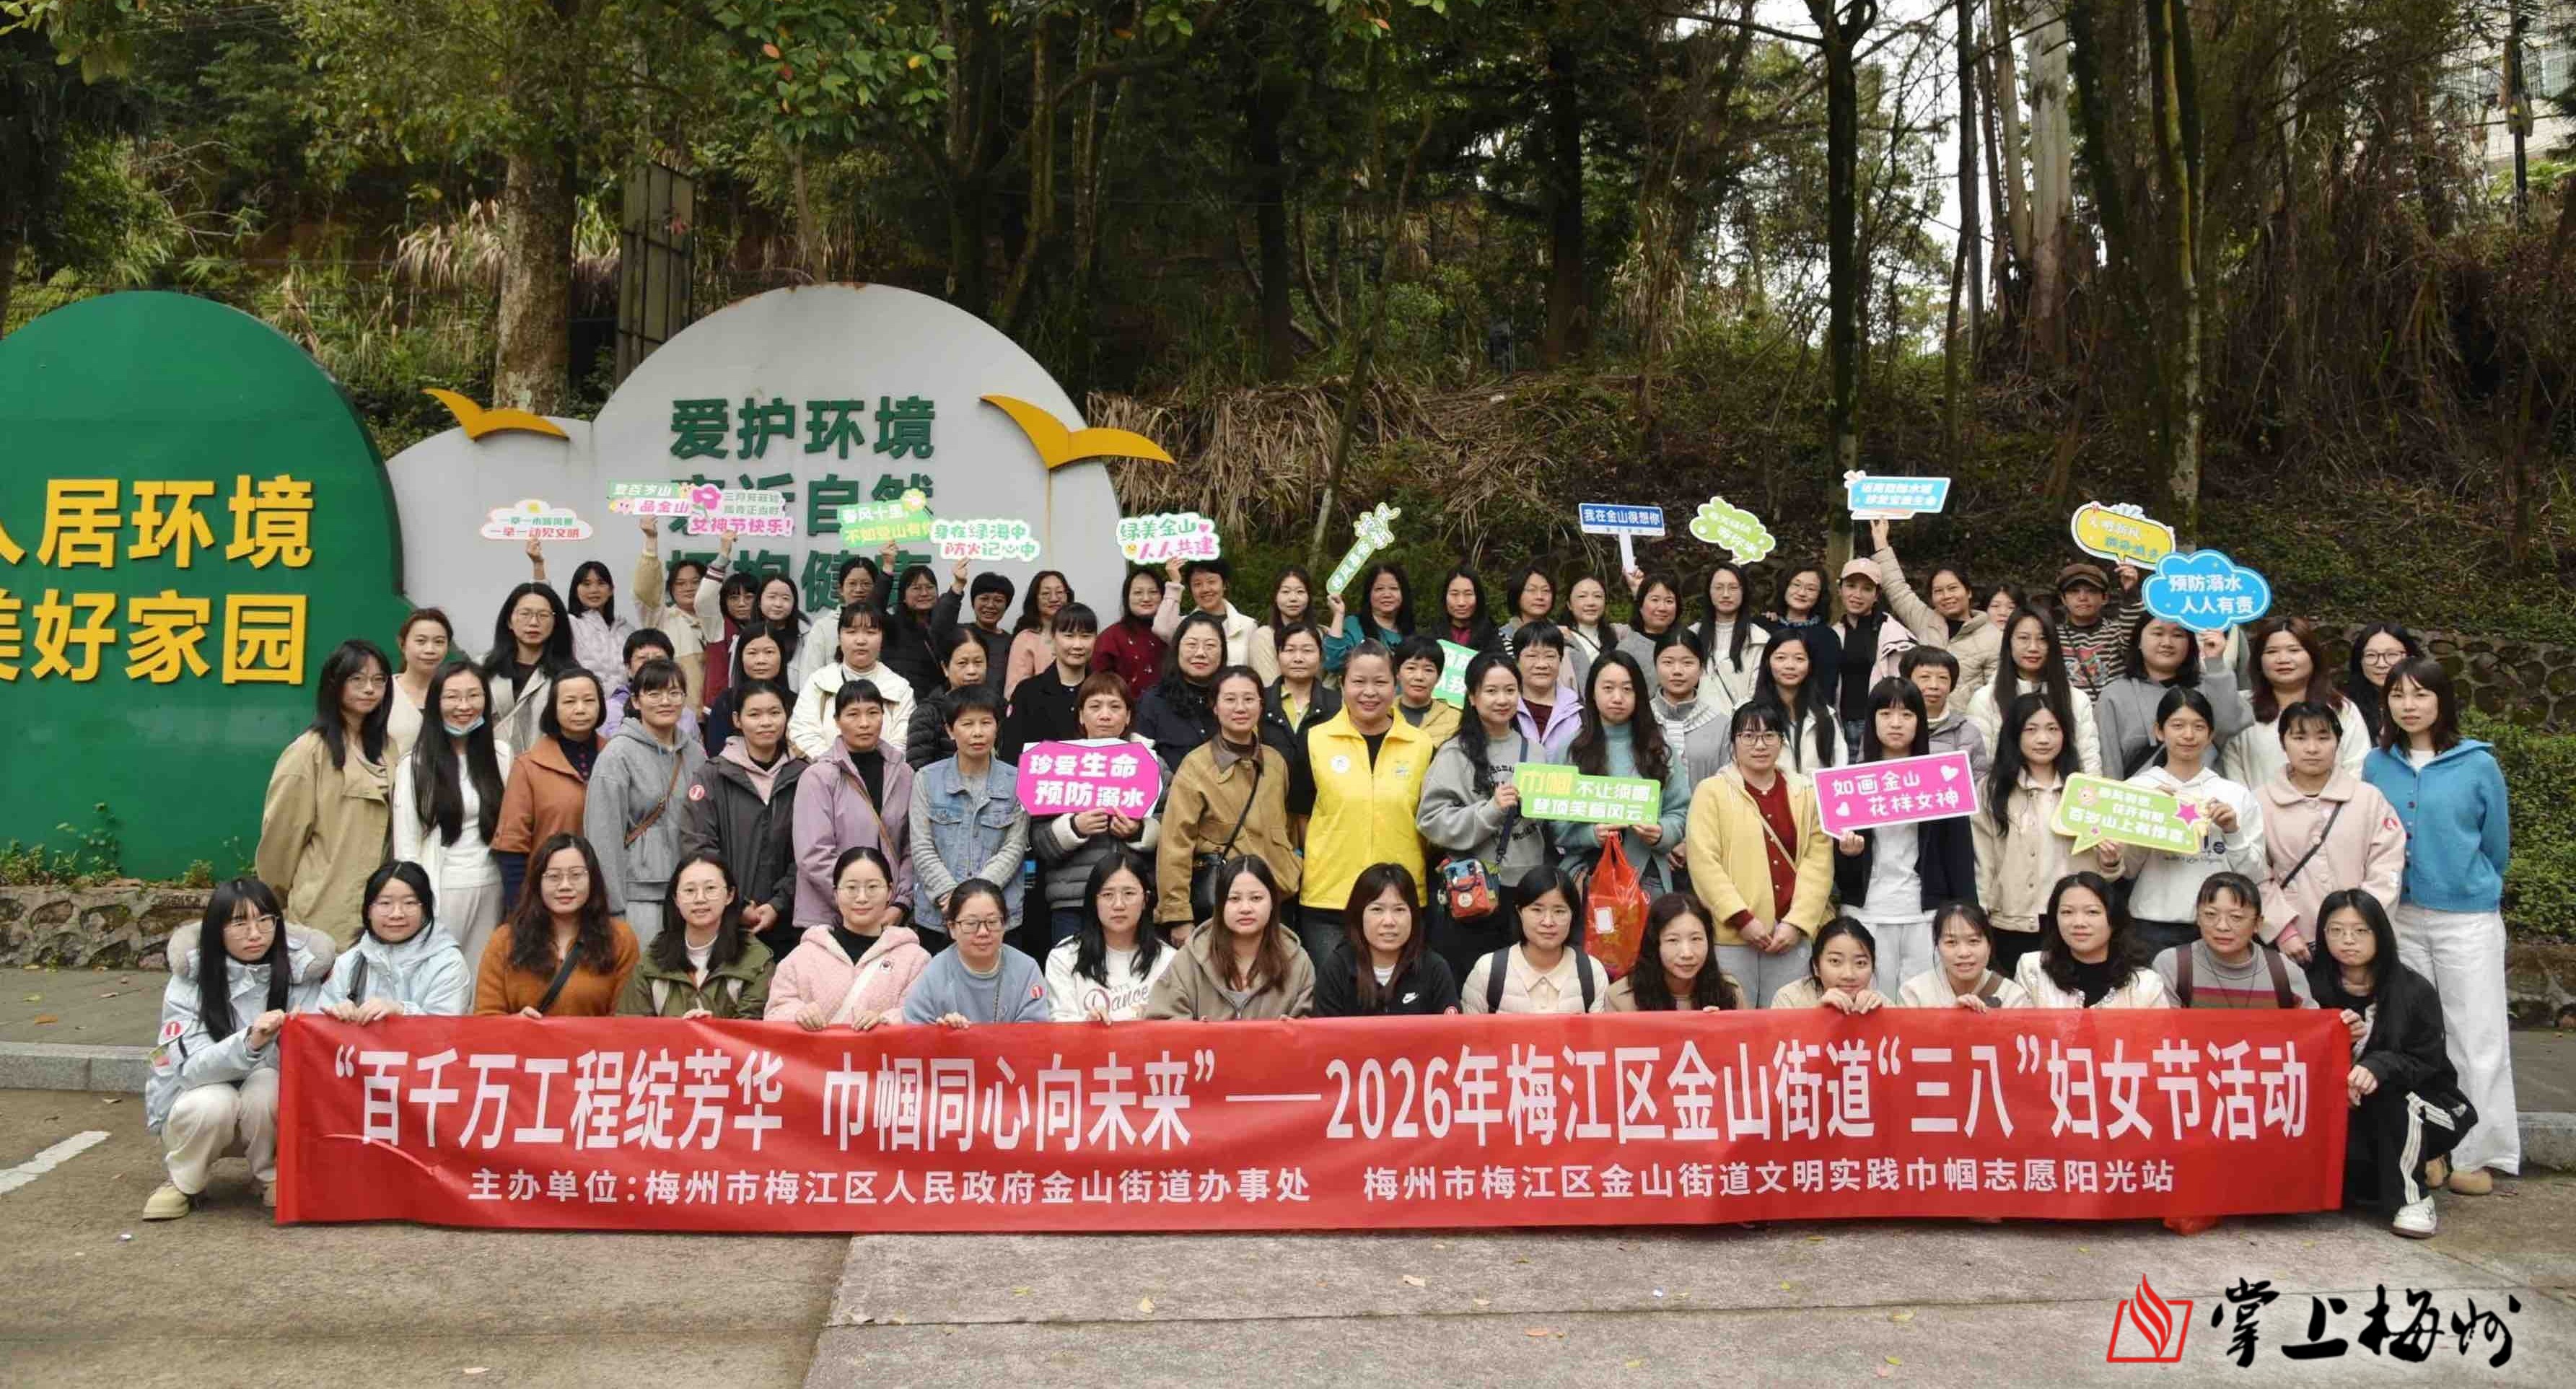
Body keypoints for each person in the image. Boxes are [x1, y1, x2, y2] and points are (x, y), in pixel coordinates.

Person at [2362, 657, 2518, 1194]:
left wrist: (2467, 883)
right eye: (2398, 695)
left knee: (2477, 1034)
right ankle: (2432, 1148)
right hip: (2399, 916)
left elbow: (2495, 845)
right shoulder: (2376, 764)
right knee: (2415, 1034)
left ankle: (2479, 1153)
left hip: (2466, 917)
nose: (2409, 705)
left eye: (2421, 694)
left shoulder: (2478, 764)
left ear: (2442, 700)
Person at [141, 880, 324, 1219]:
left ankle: (271, 1175)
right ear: (217, 929)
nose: (255, 934)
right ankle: (185, 1182)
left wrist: (298, 1035)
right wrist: (251, 1042)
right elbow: (189, 1071)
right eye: (239, 923)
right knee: (213, 1102)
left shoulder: (302, 976)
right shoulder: (189, 980)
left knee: (268, 1084)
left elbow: (312, 1064)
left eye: (265, 921)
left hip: (266, 1111)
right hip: (197, 1105)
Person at [2308, 890, 2476, 1239]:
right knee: (2356, 1193)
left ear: (2381, 934)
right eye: (2336, 930)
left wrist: (2379, 1066)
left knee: (2392, 1098)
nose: (2348, 940)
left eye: (2361, 931)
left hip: (2428, 1104)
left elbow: (2427, 1062)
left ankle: (2413, 1200)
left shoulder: (2413, 990)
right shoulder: (2312, 984)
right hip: (2349, 1109)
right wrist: (2342, 1051)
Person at [1285, 641, 1436, 966]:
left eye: (1380, 682)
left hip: (1401, 898)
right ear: (1342, 685)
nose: (1369, 692)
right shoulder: (1315, 740)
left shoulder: (1421, 746)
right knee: (1334, 992)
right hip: (1330, 897)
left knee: (1395, 994)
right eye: (1358, 681)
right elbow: (1301, 817)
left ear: (1395, 684)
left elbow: (1429, 819)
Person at [1685, 702, 1836, 1007]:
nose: (1759, 745)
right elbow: (1704, 862)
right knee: (1733, 1021)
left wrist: (1797, 923)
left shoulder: (1805, 792)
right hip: (1732, 937)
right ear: (1733, 743)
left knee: (1788, 1024)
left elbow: (1818, 862)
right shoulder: (1711, 791)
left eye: (1769, 735)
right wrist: (1741, 919)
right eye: (1749, 736)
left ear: (1782, 741)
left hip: (1790, 937)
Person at [1834, 679, 1978, 996]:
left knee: (1926, 1006)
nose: (1896, 723)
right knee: (1869, 1005)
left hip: (1925, 914)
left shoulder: (1941, 777)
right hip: (1867, 912)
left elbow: (1959, 856)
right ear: (1872, 720)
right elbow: (1840, 873)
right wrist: (1849, 854)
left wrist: (1967, 921)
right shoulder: (1850, 783)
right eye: (1885, 714)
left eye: (1907, 715)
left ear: (1920, 721)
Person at [1417, 652, 1553, 977]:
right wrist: (1490, 810)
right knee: (1472, 980)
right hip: (1474, 889)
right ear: (1472, 697)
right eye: (1491, 691)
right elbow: (1430, 820)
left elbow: (1550, 820)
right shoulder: (1455, 752)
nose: (1502, 700)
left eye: (1510, 690)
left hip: (1528, 888)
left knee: (1521, 980)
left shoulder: (1534, 751)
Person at [2108, 686, 2267, 956]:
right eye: (2178, 725)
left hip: (2219, 928)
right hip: (2151, 926)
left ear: (2211, 735)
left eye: (2199, 726)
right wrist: (2152, 820)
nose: (2189, 735)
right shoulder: (2137, 790)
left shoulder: (2235, 794)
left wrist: (2233, 832)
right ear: (2159, 731)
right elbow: (2127, 870)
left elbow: (2254, 875)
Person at [256, 638, 395, 934]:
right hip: (325, 907)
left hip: (382, 908)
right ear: (335, 684)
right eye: (357, 679)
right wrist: (276, 901)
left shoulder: (388, 748)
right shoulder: (308, 752)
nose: (370, 689)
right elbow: (281, 839)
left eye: (379, 680)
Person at [2256, 700, 2406, 963]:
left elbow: (2387, 865)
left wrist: (2359, 925)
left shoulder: (2368, 799)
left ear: (2338, 742)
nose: (2312, 748)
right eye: (2300, 738)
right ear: (2283, 743)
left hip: (2364, 943)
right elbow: (2255, 873)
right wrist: (2282, 930)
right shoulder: (2260, 802)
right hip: (2295, 947)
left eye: (2323, 738)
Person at [1157, 667, 1300, 934]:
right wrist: (1177, 915)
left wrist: (1292, 871)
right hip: (1224, 903)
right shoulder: (1196, 766)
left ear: (1261, 705)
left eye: (1249, 699)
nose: (1240, 708)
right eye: (1230, 699)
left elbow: (1287, 830)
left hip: (1277, 900)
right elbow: (1175, 843)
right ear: (1215, 706)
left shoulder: (1275, 763)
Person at [391, 661, 514, 963]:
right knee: (442, 973)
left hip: (493, 887)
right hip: (442, 890)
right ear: (436, 703)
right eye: (452, 697)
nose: (464, 706)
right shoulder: (415, 765)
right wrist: (414, 900)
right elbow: (406, 847)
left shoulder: (501, 756)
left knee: (482, 974)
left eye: (473, 695)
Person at [680, 675, 806, 960]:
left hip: (790, 921)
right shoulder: (713, 775)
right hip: (725, 920)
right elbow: (699, 845)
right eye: (755, 714)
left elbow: (810, 850)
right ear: (737, 720)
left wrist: (778, 903)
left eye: (774, 713)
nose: (766, 722)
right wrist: (737, 903)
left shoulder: (804, 775)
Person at [582, 657, 705, 947]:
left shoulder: (696, 754)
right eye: (654, 693)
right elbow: (603, 836)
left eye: (674, 693)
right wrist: (612, 908)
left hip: (692, 892)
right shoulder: (617, 756)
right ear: (636, 701)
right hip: (639, 895)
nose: (665, 701)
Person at [1031, 673, 1160, 945]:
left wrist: (1139, 832)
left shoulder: (1151, 764)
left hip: (1133, 896)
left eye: (1115, 707)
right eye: (1095, 706)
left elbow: (1173, 826)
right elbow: (1038, 840)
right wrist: (1074, 828)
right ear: (1081, 715)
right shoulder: (1055, 764)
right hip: (1073, 900)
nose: (1105, 715)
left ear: (1128, 716)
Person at [1553, 651, 1691, 894]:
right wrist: (1591, 835)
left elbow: (1680, 811)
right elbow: (1554, 820)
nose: (1618, 698)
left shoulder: (1660, 749)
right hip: (1587, 875)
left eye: (1627, 689)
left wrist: (1662, 833)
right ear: (1592, 693)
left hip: (1647, 878)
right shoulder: (1570, 750)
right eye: (1608, 688)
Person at [1972, 693, 2087, 978]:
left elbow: (2101, 866)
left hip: (2071, 922)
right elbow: (1982, 859)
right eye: (2031, 729)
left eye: (2053, 729)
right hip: (2011, 921)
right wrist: (1979, 914)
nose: (2043, 739)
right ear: (2015, 735)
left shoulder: (2084, 791)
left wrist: (2111, 861)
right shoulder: (1992, 790)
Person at [908, 685, 1030, 948]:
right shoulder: (926, 779)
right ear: (950, 730)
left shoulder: (1018, 781)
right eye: (967, 724)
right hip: (939, 916)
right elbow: (921, 846)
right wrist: (950, 897)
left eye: (986, 723)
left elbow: (1014, 847)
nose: (978, 732)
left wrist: (974, 901)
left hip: (999, 917)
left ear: (997, 727)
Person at [473, 833, 640, 1017]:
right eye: (554, 877)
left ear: (593, 880)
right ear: (537, 882)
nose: (565, 886)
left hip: (595, 1037)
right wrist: (515, 1024)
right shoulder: (504, 940)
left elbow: (627, 1020)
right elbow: (486, 1017)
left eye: (576, 875)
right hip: (524, 1037)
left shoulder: (620, 938)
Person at [792, 680, 914, 929]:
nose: (864, 723)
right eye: (853, 714)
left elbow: (912, 847)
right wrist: (861, 903)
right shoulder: (818, 777)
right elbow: (814, 855)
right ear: (837, 721)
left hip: (890, 917)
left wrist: (900, 903)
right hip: (830, 920)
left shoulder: (904, 774)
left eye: (873, 713)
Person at [766, 846, 929, 1030]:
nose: (862, 898)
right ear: (836, 894)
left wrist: (887, 1021)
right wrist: (797, 1013)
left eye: (873, 887)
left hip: (881, 1050)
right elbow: (775, 1011)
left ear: (890, 892)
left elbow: (922, 1016)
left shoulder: (914, 960)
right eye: (851, 888)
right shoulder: (803, 956)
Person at [1144, 855, 1316, 1020]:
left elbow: (1309, 1028)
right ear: (1220, 905)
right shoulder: (1190, 958)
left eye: (1256, 898)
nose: (1245, 908)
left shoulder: (1297, 962)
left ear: (1272, 903)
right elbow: (1163, 1019)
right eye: (1234, 899)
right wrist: (1198, 1033)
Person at [492, 669, 605, 909]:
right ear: (553, 708)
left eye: (589, 700)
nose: (580, 709)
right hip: (549, 896)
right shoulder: (529, 765)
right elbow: (512, 845)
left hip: (606, 893)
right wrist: (520, 908)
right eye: (569, 701)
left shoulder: (617, 757)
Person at [616, 853, 775, 1018]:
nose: (700, 899)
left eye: (710, 889)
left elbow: (753, 1029)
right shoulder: (653, 960)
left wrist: (710, 1028)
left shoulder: (755, 960)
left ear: (729, 895)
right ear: (676, 899)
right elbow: (631, 1026)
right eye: (690, 890)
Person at [2096, 618, 2253, 778]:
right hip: (2141, 792)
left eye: (2178, 635)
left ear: (2190, 644)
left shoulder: (2212, 685)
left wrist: (2215, 663)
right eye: (2157, 634)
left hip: (2204, 791)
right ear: (2139, 642)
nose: (2167, 643)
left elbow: (2230, 728)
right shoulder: (2114, 695)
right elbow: (2109, 763)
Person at [2222, 618, 2370, 787]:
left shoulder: (2341, 708)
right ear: (2259, 661)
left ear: (2313, 656)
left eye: (2294, 650)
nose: (2283, 659)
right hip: (2256, 804)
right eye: (2272, 652)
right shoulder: (2241, 706)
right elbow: (2232, 770)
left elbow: (2357, 768)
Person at [314, 862, 470, 1020]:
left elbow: (448, 1028)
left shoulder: (448, 964)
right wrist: (336, 1015)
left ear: (426, 910)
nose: (397, 914)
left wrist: (402, 1012)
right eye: (385, 903)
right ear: (368, 911)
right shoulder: (349, 963)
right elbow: (317, 1024)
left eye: (409, 903)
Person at [1962, 610, 2103, 775]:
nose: (2033, 648)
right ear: (2009, 642)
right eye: (2024, 638)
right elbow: (1980, 767)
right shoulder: (1985, 699)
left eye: (2042, 639)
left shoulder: (2076, 699)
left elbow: (2089, 763)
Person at [893, 879, 1048, 1025]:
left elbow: (1034, 1034)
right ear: (952, 928)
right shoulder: (935, 973)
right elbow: (914, 1028)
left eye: (992, 922)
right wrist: (943, 1034)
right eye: (971, 923)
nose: (983, 932)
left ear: (1004, 925)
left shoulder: (1026, 970)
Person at [1867, 522, 1999, 693]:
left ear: (1968, 592)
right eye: (1938, 591)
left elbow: (1994, 693)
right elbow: (1897, 589)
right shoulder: (1925, 621)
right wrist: (1881, 543)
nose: (1946, 596)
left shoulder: (1993, 636)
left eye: (1953, 588)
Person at [1045, 849, 1175, 1021]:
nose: (1118, 905)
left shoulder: (1170, 960)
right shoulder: (1064, 957)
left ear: (1146, 899)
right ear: (1094, 900)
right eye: (1107, 895)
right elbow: (1060, 1024)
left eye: (1129, 893)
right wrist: (1087, 1024)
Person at [1313, 864, 1460, 1016]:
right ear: (1359, 915)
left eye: (1399, 909)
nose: (1389, 921)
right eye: (1377, 909)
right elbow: (1323, 1029)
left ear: (1414, 915)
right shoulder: (1337, 969)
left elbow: (1452, 1029)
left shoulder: (1434, 968)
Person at [2153, 871, 2314, 1009]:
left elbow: (2312, 1028)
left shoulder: (2284, 972)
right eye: (2210, 914)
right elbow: (2164, 1029)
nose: (2222, 926)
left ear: (2258, 924)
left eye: (2236, 917)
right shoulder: (2174, 966)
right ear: (2198, 917)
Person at [1459, 865, 1606, 1014]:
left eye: (1559, 911)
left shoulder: (1593, 973)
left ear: (1573, 915)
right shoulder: (1488, 971)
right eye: (1537, 910)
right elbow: (1468, 1029)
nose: (1548, 922)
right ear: (1519, 912)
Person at [2014, 871, 2173, 1008]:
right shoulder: (2033, 969)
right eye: (2067, 912)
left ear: (2114, 919)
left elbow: (2158, 1034)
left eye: (2092, 912)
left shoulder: (2146, 984)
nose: (2079, 923)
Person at [792, 603, 916, 761]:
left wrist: (879, 769)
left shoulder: (899, 688)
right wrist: (835, 767)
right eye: (851, 632)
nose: (861, 641)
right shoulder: (819, 682)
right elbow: (803, 732)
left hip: (886, 773)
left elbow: (902, 742)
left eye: (871, 632)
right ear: (839, 637)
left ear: (882, 638)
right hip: (826, 771)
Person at [1605, 894, 1743, 1011]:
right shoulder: (1620, 998)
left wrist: (1720, 1025)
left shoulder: (1729, 992)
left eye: (1696, 939)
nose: (1687, 954)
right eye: (1673, 940)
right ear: (1655, 944)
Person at [999, 602, 1099, 763]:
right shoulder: (1028, 692)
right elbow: (1011, 754)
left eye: (1086, 636)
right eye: (1069, 636)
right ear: (1053, 638)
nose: (1078, 645)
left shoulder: (1104, 690)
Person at [483, 581, 574, 754]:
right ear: (509, 621)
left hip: (546, 764)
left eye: (543, 615)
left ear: (556, 622)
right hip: (491, 763)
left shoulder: (570, 676)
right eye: (525, 614)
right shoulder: (482, 669)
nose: (533, 622)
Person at [631, 518, 707, 711]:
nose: (689, 588)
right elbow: (645, 589)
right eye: (680, 584)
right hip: (676, 715)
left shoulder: (719, 621)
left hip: (716, 715)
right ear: (671, 589)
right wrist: (651, 541)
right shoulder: (661, 618)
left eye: (695, 582)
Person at [1896, 903, 2030, 1009]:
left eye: (1973, 941)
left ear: (1989, 946)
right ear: (1937, 946)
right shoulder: (1914, 993)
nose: (1964, 953)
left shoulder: (2012, 996)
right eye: (1951, 942)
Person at [1751, 627, 1848, 774]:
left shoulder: (1825, 715)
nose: (1790, 666)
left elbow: (1840, 767)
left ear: (1810, 665)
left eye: (1799, 659)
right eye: (1781, 658)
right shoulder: (1749, 714)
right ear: (1767, 662)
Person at [1136, 610, 1226, 769]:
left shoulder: (1232, 700)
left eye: (1210, 646)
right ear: (1177, 648)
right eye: (1192, 645)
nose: (1200, 653)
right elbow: (1140, 763)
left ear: (1223, 652)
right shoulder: (1154, 701)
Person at [792, 555, 889, 691]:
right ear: (841, 589)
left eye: (866, 584)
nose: (859, 589)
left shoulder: (886, 623)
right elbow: (809, 676)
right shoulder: (823, 627)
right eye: (852, 583)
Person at [1650, 630, 1730, 788]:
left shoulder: (1722, 725)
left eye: (1687, 663)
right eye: (1668, 662)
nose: (1677, 671)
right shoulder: (1639, 719)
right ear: (1655, 666)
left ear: (1702, 668)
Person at [546, 553, 636, 693]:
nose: (594, 590)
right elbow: (545, 604)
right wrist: (538, 566)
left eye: (601, 583)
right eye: (586, 584)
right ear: (576, 590)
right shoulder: (569, 623)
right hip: (584, 698)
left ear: (611, 590)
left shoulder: (626, 629)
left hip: (623, 702)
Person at [2053, 560, 2145, 696]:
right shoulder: (2052, 636)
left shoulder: (2117, 632)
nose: (2082, 598)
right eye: (2074, 591)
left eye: (2091, 591)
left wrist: (2130, 591)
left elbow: (2134, 628)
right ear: (2063, 599)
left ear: (2105, 598)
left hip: (2111, 708)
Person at [908, 623, 993, 770]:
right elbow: (919, 770)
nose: (972, 671)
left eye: (978, 662)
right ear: (945, 668)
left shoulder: (999, 707)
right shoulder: (928, 714)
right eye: (962, 663)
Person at [1828, 556, 1897, 735]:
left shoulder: (1893, 634)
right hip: (1838, 726)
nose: (1857, 595)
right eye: (1851, 586)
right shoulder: (1833, 633)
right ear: (1840, 589)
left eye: (1867, 589)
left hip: (1878, 726)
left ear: (1877, 595)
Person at [1901, 645, 1990, 784]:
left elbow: (1979, 786)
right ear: (1907, 681)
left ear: (1951, 685)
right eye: (1925, 677)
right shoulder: (1891, 727)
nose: (1934, 685)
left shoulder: (1968, 733)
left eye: (1943, 678)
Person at [690, 559, 766, 717]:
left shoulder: (767, 630)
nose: (741, 603)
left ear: (760, 600)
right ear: (724, 601)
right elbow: (703, 601)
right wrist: (721, 560)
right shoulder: (718, 626)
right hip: (721, 709)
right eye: (734, 598)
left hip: (760, 708)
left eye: (749, 597)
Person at [1694, 562, 1771, 714]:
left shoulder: (1759, 639)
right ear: (1709, 592)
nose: (1726, 594)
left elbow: (1759, 691)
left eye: (1733, 588)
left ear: (1744, 592)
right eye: (1718, 587)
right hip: (1697, 722)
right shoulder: (1692, 635)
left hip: (1742, 723)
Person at [1152, 556, 1257, 667]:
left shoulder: (1248, 626)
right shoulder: (1184, 625)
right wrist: (1175, 583)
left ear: (1224, 585)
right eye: (1197, 584)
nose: (1205, 589)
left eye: (1211, 582)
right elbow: (1162, 628)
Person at [1769, 917, 1891, 1012]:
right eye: (1835, 961)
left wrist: (1879, 1018)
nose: (1848, 975)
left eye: (1860, 963)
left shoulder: (1881, 1004)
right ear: (1816, 967)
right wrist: (1819, 1015)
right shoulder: (1789, 999)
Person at [701, 622, 787, 753]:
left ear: (782, 656)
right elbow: (716, 753)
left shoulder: (797, 702)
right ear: (740, 657)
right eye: (752, 653)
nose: (761, 660)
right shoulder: (725, 702)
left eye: (769, 652)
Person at [600, 629, 698, 744]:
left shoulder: (685, 713)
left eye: (659, 659)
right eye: (643, 659)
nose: (652, 665)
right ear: (628, 668)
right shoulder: (610, 711)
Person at [386, 608, 452, 761]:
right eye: (421, 641)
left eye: (439, 642)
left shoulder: (456, 693)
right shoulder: (384, 691)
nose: (430, 650)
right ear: (402, 644)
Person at [2347, 622, 2427, 748]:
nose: (2381, 664)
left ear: (2410, 657)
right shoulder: (2346, 707)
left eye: (2392, 655)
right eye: (2371, 655)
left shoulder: (2430, 700)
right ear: (2359, 660)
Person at [1323, 562, 1414, 672]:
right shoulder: (1353, 625)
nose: (1387, 594)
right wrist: (1338, 614)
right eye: (1379, 589)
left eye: (1394, 588)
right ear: (1369, 594)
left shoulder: (1410, 634)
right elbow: (1333, 663)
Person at [1093, 567, 1170, 696]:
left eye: (1153, 592)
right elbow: (1099, 686)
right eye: (1138, 593)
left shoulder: (1172, 633)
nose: (1146, 598)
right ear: (1127, 597)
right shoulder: (1110, 638)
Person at [1510, 621, 1585, 752]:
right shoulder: (1505, 707)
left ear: (1560, 660)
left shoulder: (1580, 713)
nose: (1542, 665)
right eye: (1532, 656)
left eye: (1550, 656)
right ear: (1517, 661)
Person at [1002, 569, 1074, 698]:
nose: (1054, 599)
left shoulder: (1078, 634)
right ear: (1035, 599)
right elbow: (1014, 692)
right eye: (1046, 593)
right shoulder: (1026, 638)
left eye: (1059, 592)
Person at [880, 561, 946, 695]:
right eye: (916, 588)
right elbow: (874, 609)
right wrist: (887, 570)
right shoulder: (891, 626)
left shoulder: (945, 627)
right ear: (903, 596)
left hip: (938, 702)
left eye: (930, 587)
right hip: (902, 700)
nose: (924, 593)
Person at [1245, 566, 1317, 685]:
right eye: (1285, 592)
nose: (1293, 598)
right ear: (1275, 596)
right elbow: (1269, 685)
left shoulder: (1321, 634)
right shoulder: (1264, 637)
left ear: (1309, 597)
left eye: (1300, 592)